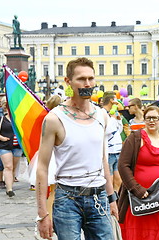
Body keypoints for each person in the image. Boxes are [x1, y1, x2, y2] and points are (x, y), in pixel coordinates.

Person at [36, 57, 118, 240]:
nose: (87, 83)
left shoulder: (102, 115)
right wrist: (42, 213)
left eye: (91, 78)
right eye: (81, 79)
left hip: (99, 197)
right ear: (68, 81)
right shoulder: (54, 119)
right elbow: (42, 167)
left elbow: (103, 159)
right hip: (67, 199)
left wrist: (112, 198)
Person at [118, 105, 159, 240]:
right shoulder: (134, 139)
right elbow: (123, 165)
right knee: (140, 234)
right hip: (139, 200)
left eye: (155, 118)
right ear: (144, 120)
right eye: (148, 118)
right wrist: (136, 189)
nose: (151, 121)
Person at [0, 97, 23, 197]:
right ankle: (9, 189)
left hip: (17, 147)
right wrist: (1, 137)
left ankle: (10, 183)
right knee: (8, 167)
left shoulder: (19, 119)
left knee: (13, 168)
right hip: (4, 146)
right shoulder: (0, 119)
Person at [102, 91, 123, 192]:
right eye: (115, 99)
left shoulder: (114, 113)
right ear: (111, 100)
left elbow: (119, 131)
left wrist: (118, 120)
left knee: (118, 180)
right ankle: (109, 204)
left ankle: (118, 204)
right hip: (108, 151)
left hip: (117, 150)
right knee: (109, 181)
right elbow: (106, 130)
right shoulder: (102, 113)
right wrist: (114, 119)